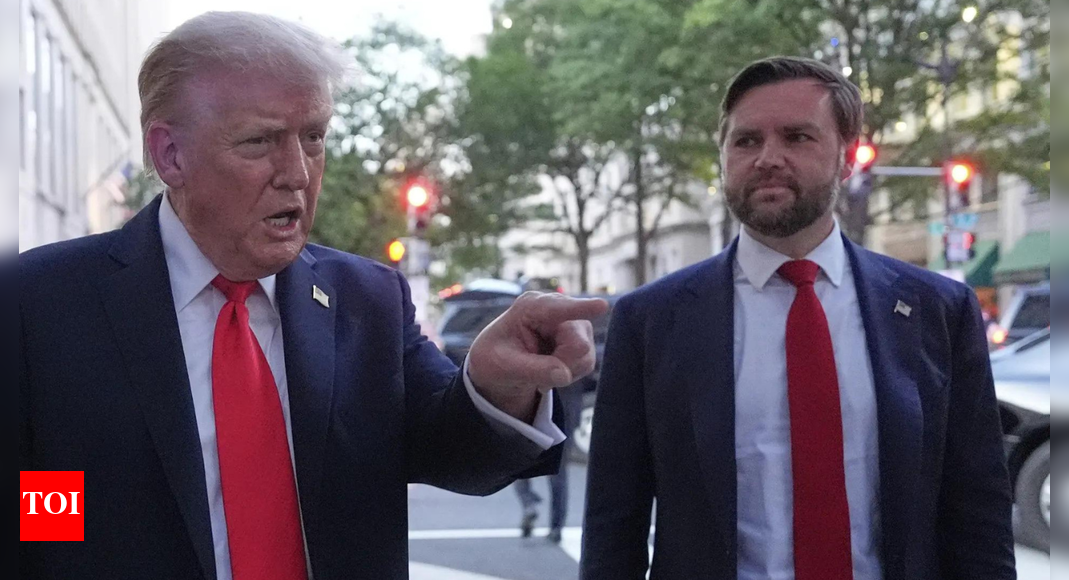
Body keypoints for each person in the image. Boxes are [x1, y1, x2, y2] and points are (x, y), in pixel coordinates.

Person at [19, 12, 606, 580]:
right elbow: (40, 517)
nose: (298, 173)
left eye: (314, 137)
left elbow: (456, 451)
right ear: (170, 154)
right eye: (260, 141)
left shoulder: (367, 301)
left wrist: (497, 385)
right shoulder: (42, 305)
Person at [581, 56, 1016, 580]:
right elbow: (613, 527)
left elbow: (979, 516)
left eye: (797, 137)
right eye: (746, 141)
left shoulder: (938, 312)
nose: (768, 158)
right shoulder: (650, 321)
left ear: (848, 157)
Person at [514, 376, 586, 543]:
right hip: (564, 408)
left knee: (519, 463)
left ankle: (529, 504)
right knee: (558, 473)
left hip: (535, 406)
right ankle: (556, 527)